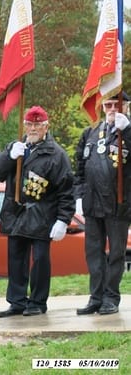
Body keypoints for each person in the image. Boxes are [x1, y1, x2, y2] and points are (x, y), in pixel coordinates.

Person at [0, 106, 74, 317]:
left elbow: (66, 190)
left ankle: (37, 301)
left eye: (38, 125)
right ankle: (17, 301)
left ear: (46, 126)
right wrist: (9, 156)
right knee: (16, 260)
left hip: (42, 215)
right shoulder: (16, 146)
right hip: (16, 213)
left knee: (40, 261)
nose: (33, 128)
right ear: (24, 125)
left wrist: (63, 220)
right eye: (30, 124)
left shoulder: (57, 154)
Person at [75, 92, 131, 316]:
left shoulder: (127, 131)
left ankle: (111, 297)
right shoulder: (90, 133)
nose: (112, 109)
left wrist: (127, 131)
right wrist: (78, 196)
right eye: (108, 105)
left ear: (126, 107)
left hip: (119, 205)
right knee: (93, 253)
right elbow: (79, 168)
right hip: (92, 205)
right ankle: (96, 297)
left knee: (116, 253)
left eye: (117, 105)